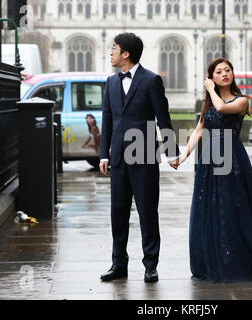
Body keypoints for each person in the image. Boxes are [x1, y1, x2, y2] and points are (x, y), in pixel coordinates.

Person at [175, 58, 252, 282]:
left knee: (234, 207)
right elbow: (199, 130)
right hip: (210, 158)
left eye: (227, 70)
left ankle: (238, 258)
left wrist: (211, 90)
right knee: (210, 208)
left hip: (232, 157)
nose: (224, 74)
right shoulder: (209, 103)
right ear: (212, 76)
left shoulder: (241, 100)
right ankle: (214, 257)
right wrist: (184, 155)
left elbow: (222, 108)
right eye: (218, 72)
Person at [99, 33, 180, 283]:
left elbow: (162, 117)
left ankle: (150, 265)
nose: (110, 52)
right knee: (118, 213)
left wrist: (172, 151)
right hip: (118, 160)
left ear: (126, 54)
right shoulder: (111, 83)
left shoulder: (151, 80)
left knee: (147, 212)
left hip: (144, 155)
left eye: (114, 48)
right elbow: (107, 120)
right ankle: (118, 264)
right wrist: (103, 154)